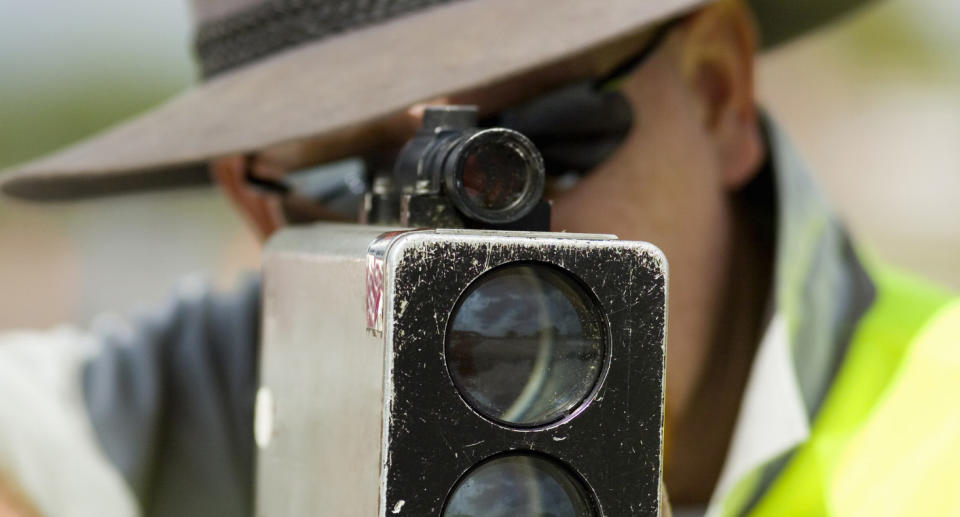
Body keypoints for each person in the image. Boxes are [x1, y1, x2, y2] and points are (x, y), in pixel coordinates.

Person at [1, 0, 958, 516]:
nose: (461, 256)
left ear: (716, 92)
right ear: (259, 207)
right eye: (349, 184)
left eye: (533, 151)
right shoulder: (222, 392)